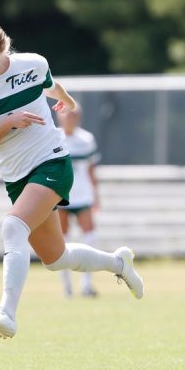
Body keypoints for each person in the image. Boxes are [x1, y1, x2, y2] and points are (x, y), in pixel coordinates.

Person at [0, 0, 144, 339]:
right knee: (56, 259)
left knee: (12, 228)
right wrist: (9, 121)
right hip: (16, 177)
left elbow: (51, 86)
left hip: (52, 162)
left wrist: (69, 100)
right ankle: (119, 264)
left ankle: (7, 312)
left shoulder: (33, 63)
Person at [57, 106, 101, 298]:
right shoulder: (54, 137)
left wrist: (96, 194)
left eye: (74, 115)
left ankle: (86, 284)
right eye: (67, 114)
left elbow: (91, 169)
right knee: (61, 241)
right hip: (61, 196)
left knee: (89, 237)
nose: (70, 118)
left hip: (83, 195)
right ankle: (66, 285)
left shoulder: (86, 139)